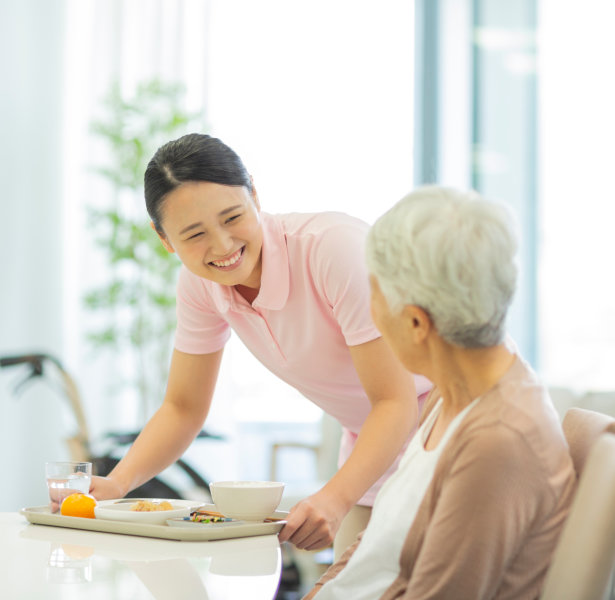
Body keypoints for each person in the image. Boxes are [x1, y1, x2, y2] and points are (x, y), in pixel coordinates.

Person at [88, 133, 432, 555]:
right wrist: (116, 484)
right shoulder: (199, 285)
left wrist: (335, 498)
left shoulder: (333, 249)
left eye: (232, 217)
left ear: (254, 192)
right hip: (374, 441)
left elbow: (396, 401)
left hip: (448, 421)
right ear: (164, 239)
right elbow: (183, 407)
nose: (222, 246)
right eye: (194, 234)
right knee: (349, 585)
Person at [304, 186, 576, 599]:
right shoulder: (449, 395)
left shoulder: (497, 440)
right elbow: (376, 546)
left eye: (372, 296)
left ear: (416, 323)